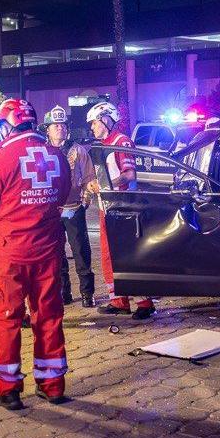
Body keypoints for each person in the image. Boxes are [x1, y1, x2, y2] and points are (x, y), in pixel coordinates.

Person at [0, 98, 72, 410]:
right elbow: (63, 194)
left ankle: (8, 389)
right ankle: (52, 385)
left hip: (10, 255)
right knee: (50, 316)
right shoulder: (56, 156)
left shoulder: (1, 158)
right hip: (49, 251)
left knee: (7, 318)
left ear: (5, 126)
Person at [84, 101, 157, 320]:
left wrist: (105, 186)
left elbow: (129, 174)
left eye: (94, 123)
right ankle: (119, 300)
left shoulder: (121, 142)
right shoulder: (102, 144)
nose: (92, 128)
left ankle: (145, 302)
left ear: (106, 120)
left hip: (122, 207)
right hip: (108, 207)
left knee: (127, 254)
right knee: (109, 255)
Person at [43, 106, 96, 308]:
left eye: (63, 125)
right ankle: (64, 293)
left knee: (81, 252)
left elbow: (89, 178)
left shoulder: (78, 150)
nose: (60, 129)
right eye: (56, 126)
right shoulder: (42, 152)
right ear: (47, 129)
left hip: (74, 209)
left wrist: (86, 200)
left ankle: (87, 293)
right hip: (52, 213)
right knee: (56, 254)